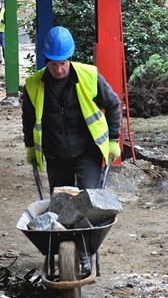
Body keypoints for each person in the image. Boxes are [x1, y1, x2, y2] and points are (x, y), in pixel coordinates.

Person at [22, 26, 122, 194]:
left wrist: (113, 140)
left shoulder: (89, 76)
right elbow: (29, 118)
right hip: (55, 154)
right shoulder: (33, 85)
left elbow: (113, 104)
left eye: (63, 64)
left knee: (90, 198)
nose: (59, 70)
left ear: (69, 58)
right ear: (46, 60)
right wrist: (30, 146)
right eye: (54, 64)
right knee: (62, 202)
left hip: (87, 151)